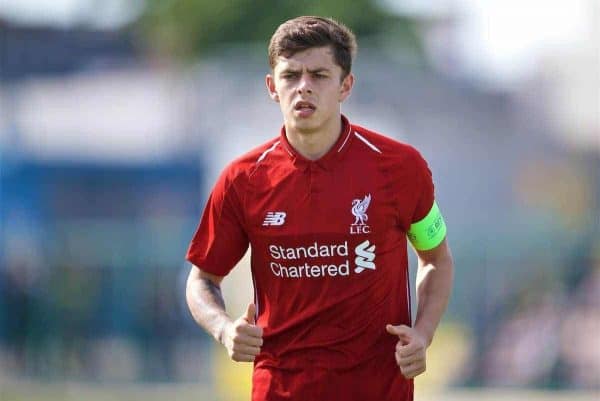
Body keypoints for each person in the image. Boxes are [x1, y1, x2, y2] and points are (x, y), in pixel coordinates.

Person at [185, 16, 454, 401]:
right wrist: (225, 329)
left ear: (346, 85)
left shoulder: (400, 167)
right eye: (291, 75)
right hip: (280, 390)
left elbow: (437, 259)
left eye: (319, 75)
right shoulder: (243, 180)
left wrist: (423, 334)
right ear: (272, 87)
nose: (303, 88)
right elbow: (201, 279)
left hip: (378, 390)